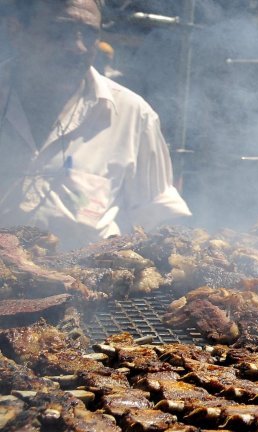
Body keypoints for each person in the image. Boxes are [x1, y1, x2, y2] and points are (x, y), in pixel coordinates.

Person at [0, 0, 191, 250]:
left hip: (91, 286)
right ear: (16, 30)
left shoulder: (131, 114)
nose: (77, 47)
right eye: (60, 31)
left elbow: (161, 219)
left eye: (89, 34)